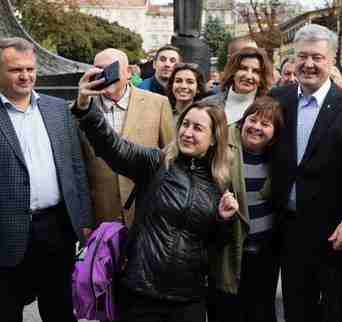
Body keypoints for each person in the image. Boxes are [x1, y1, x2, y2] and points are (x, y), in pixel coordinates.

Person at [73, 71, 239, 322]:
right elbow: (114, 147)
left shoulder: (220, 182)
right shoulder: (156, 163)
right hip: (141, 292)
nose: (187, 133)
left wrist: (224, 219)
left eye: (197, 128)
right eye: (185, 124)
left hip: (188, 298)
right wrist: (86, 109)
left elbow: (215, 244)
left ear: (214, 138)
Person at [269, 24, 342, 322]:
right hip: (288, 229)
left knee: (337, 310)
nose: (309, 64)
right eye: (302, 56)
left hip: (335, 229)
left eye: (317, 57)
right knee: (296, 308)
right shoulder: (278, 99)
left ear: (331, 61)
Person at [0, 38, 93, 322]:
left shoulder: (56, 110)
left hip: (57, 229)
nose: (25, 76)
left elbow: (76, 168)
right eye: (16, 70)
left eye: (30, 68)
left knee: (60, 310)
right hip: (7, 234)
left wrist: (85, 220)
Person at [208, 97, 284, 322]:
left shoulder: (278, 158)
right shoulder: (221, 151)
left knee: (260, 311)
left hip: (264, 255)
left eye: (265, 124)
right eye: (253, 120)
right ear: (243, 121)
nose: (257, 127)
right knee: (228, 311)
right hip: (228, 253)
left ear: (274, 133)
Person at [83, 48, 174, 227]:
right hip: (102, 216)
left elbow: (170, 159)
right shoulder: (81, 109)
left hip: (147, 214)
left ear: (128, 73)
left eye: (110, 69)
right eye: (98, 69)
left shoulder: (158, 104)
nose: (104, 75)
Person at [210, 47, 274, 124]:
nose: (248, 76)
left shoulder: (269, 109)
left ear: (262, 78)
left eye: (256, 71)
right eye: (243, 68)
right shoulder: (209, 104)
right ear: (233, 72)